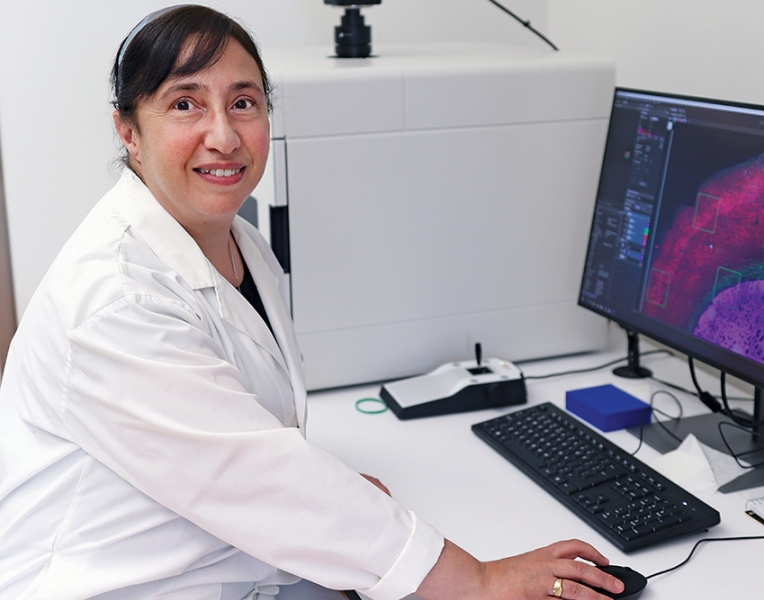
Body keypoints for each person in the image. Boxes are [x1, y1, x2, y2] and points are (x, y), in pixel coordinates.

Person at [0, 6, 626, 599]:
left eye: (243, 103)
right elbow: (253, 478)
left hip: (224, 560)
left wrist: (337, 504)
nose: (223, 135)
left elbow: (242, 441)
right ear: (128, 131)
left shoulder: (236, 243)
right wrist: (480, 582)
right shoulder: (115, 299)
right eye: (184, 104)